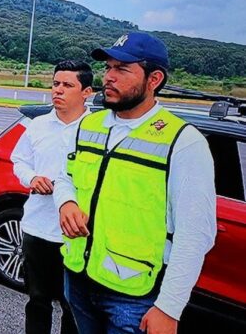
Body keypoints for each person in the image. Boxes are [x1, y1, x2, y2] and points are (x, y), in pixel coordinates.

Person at [54, 32, 217, 334]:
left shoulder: (182, 142)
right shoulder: (90, 124)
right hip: (77, 275)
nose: (109, 77)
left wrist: (169, 307)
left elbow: (196, 234)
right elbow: (66, 176)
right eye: (108, 68)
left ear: (154, 79)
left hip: (133, 296)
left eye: (122, 69)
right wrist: (66, 202)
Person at [11, 60, 91, 334]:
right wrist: (32, 178)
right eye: (55, 83)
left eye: (67, 85)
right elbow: (18, 161)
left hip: (76, 234)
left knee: (73, 307)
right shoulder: (37, 125)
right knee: (38, 301)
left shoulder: (96, 130)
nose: (58, 90)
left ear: (86, 92)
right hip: (37, 228)